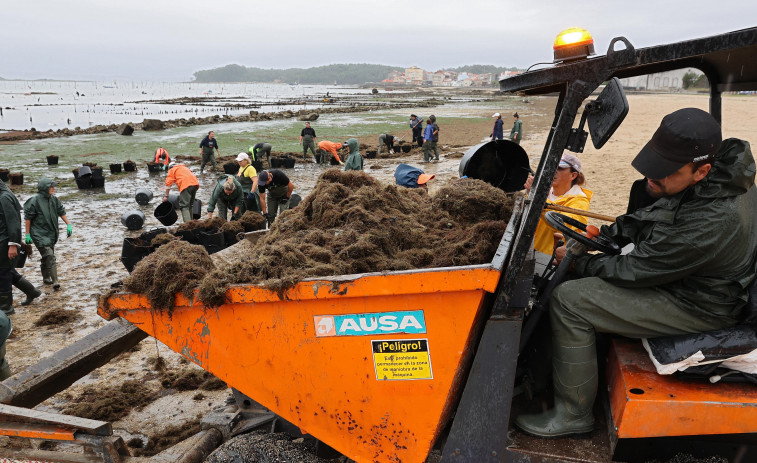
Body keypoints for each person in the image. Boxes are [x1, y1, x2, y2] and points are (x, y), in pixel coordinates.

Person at [515, 108, 757, 438]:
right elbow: (659, 213)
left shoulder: (711, 220)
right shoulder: (719, 177)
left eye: (662, 173)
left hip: (701, 304)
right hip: (691, 279)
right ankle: (543, 376)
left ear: (701, 171)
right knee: (578, 281)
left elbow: (634, 270)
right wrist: (607, 235)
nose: (650, 179)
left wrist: (578, 261)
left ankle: (573, 414)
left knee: (570, 299)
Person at [523, 153, 591, 256]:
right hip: (529, 251)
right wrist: (530, 194)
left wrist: (538, 198)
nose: (554, 170)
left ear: (573, 175)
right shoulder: (544, 192)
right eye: (553, 166)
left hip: (550, 259)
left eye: (560, 168)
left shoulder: (580, 201)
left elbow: (565, 225)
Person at [23, 178, 71, 291]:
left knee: (47, 256)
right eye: (51, 187)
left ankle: (45, 277)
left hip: (51, 232)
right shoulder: (34, 201)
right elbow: (28, 218)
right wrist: (27, 234)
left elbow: (61, 211)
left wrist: (68, 224)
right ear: (44, 188)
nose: (53, 189)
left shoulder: (54, 199)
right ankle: (55, 281)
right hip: (38, 234)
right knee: (49, 255)